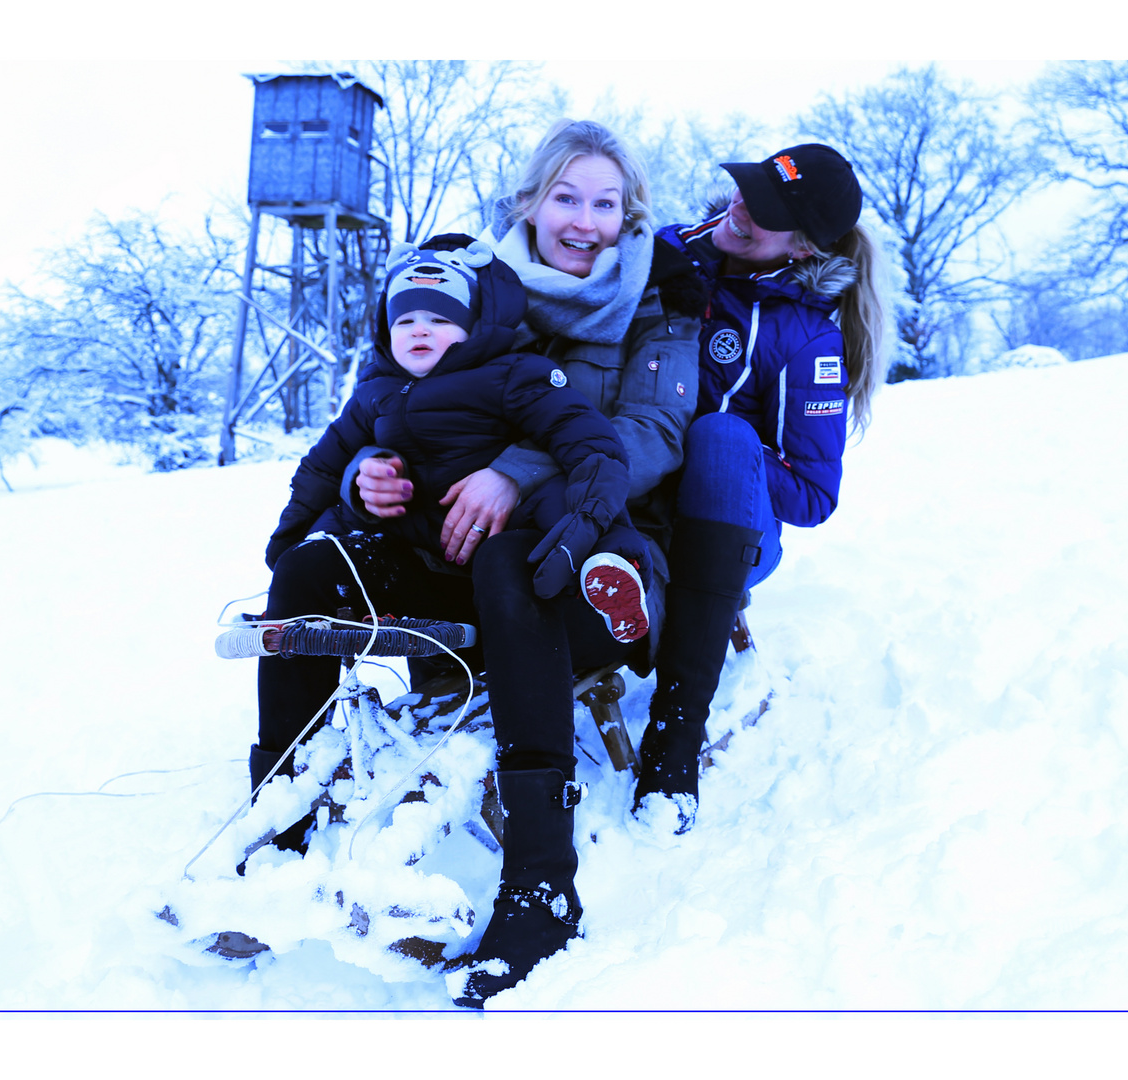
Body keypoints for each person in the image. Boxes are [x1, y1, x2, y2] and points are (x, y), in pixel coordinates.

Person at [347, 120, 706, 1008]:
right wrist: (368, 474)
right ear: (529, 203)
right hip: (454, 528)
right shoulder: (473, 283)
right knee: (336, 558)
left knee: (518, 563)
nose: (585, 221)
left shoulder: (660, 294)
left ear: (631, 214)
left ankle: (542, 886)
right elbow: (388, 399)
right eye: (565, 198)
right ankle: (270, 843)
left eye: (606, 203)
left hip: (602, 527)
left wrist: (515, 473)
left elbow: (655, 436)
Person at [242, 235, 653, 816]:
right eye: (404, 317)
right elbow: (322, 466)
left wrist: (585, 526)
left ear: (474, 324)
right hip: (433, 580)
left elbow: (596, 447)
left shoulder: (515, 374)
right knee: (307, 567)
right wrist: (287, 546)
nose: (420, 329)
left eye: (440, 317)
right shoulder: (375, 395)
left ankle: (612, 567)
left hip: (523, 581)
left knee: (557, 498)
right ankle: (280, 795)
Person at [635, 143, 890, 834]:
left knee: (720, 437)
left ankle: (675, 737)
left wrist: (708, 437)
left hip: (729, 526)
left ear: (804, 248)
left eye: (767, 212)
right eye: (747, 189)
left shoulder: (807, 337)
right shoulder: (665, 249)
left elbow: (813, 494)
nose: (741, 209)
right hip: (628, 486)